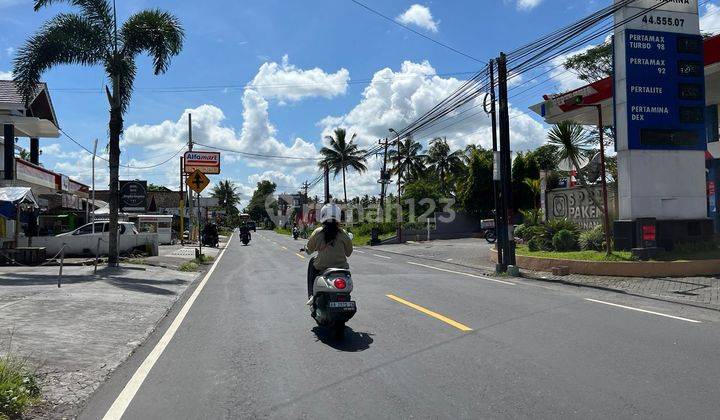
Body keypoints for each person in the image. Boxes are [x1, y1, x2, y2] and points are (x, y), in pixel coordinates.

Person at [303, 203, 353, 301]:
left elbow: (309, 251)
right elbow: (349, 253)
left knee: (312, 262)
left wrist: (306, 248)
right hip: (341, 269)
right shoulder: (343, 233)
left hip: (322, 267)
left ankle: (311, 296)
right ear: (338, 216)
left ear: (323, 215)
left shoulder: (318, 232)